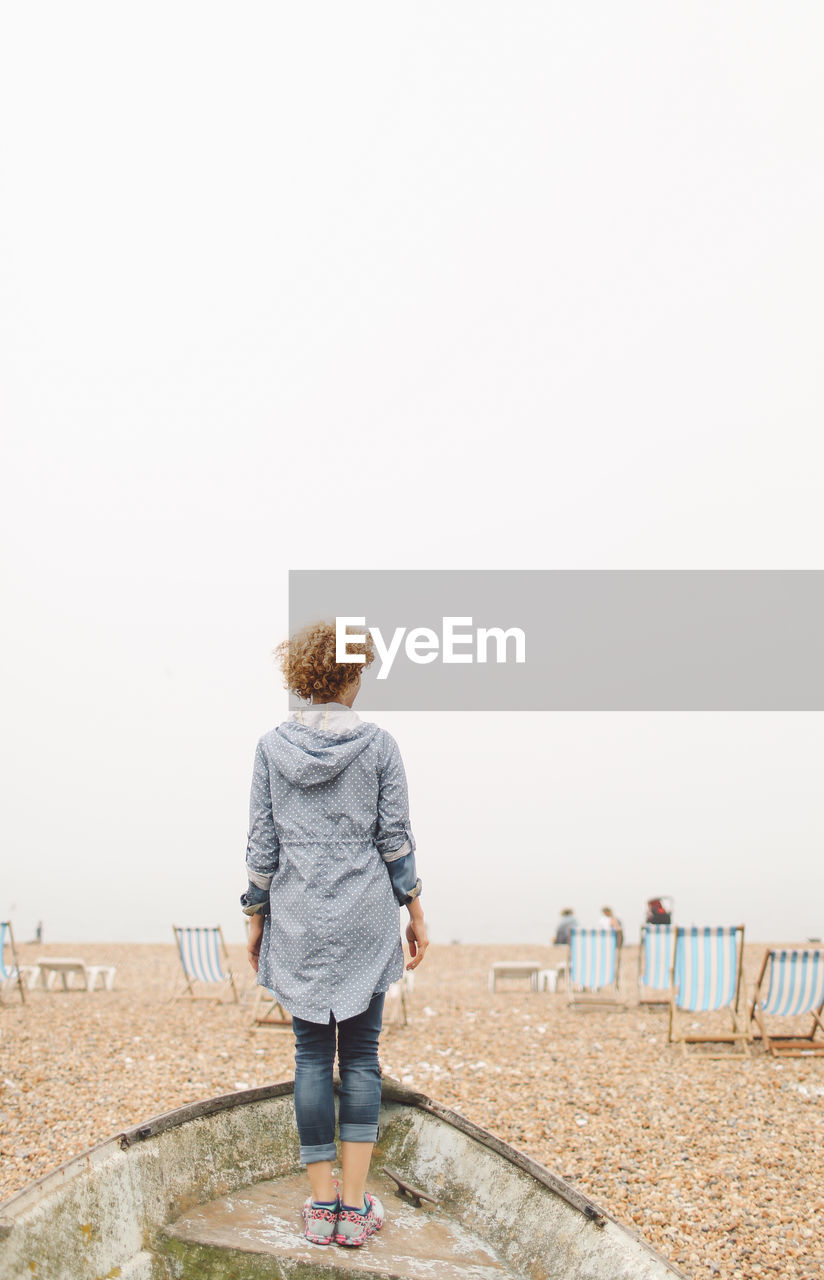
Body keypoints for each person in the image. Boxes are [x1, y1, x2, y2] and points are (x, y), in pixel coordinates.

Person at [242, 621, 428, 1249]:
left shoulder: (272, 747)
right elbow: (394, 838)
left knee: (312, 1057)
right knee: (363, 1055)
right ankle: (355, 1208)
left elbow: (262, 846)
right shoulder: (378, 746)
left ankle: (321, 1206)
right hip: (364, 915)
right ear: (351, 676)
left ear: (299, 677)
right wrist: (416, 910)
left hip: (297, 919)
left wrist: (254, 914)